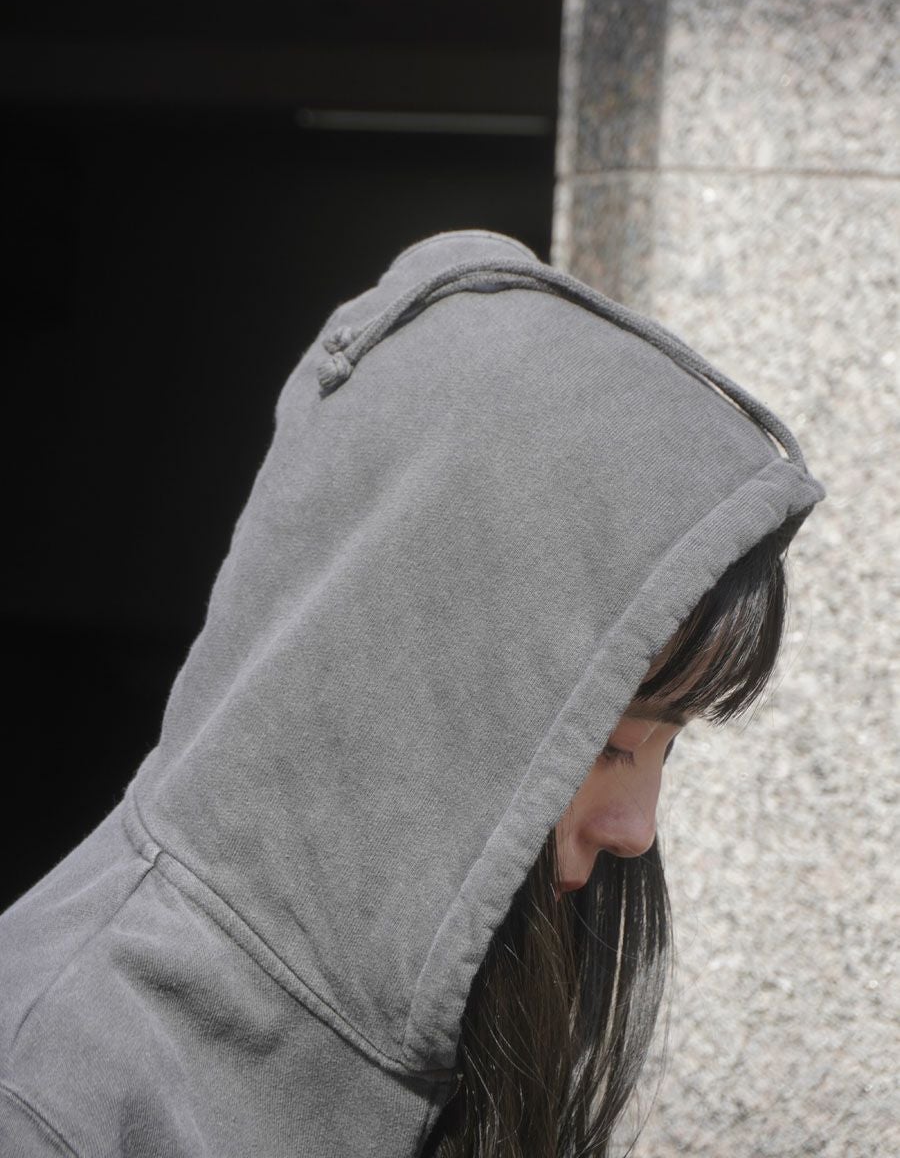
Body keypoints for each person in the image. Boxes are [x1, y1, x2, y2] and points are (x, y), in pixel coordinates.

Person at [0, 229, 824, 1156]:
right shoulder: (48, 1099)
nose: (638, 828)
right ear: (412, 692)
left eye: (670, 745)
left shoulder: (469, 1032)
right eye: (610, 743)